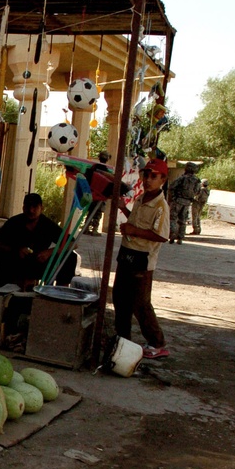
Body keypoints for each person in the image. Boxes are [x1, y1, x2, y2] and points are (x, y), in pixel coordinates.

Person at [113, 157, 171, 359]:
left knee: (140, 304)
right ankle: (122, 339)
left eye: (154, 176)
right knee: (120, 299)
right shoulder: (141, 198)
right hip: (127, 253)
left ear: (163, 179)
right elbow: (135, 221)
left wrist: (134, 231)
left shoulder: (160, 206)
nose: (148, 180)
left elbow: (162, 235)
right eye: (146, 175)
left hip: (142, 259)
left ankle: (157, 343)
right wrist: (123, 208)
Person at [0, 193, 78, 289]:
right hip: (15, 261)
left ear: (41, 208)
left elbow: (73, 243)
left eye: (35, 207)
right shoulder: (14, 222)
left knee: (70, 256)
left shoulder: (48, 225)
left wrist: (50, 252)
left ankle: (60, 291)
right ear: (23, 208)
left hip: (38, 261)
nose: (31, 210)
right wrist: (16, 250)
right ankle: (1, 285)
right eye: (28, 206)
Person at [167, 161, 201, 244]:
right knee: (183, 220)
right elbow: (197, 192)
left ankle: (172, 234)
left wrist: (173, 197)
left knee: (173, 218)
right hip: (187, 203)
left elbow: (171, 187)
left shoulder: (182, 178)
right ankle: (180, 238)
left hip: (177, 201)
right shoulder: (197, 180)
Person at [81, 151, 113, 236]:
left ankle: (86, 228)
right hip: (101, 195)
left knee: (90, 211)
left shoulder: (93, 168)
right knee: (98, 213)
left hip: (92, 193)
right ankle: (94, 229)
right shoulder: (107, 171)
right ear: (107, 159)